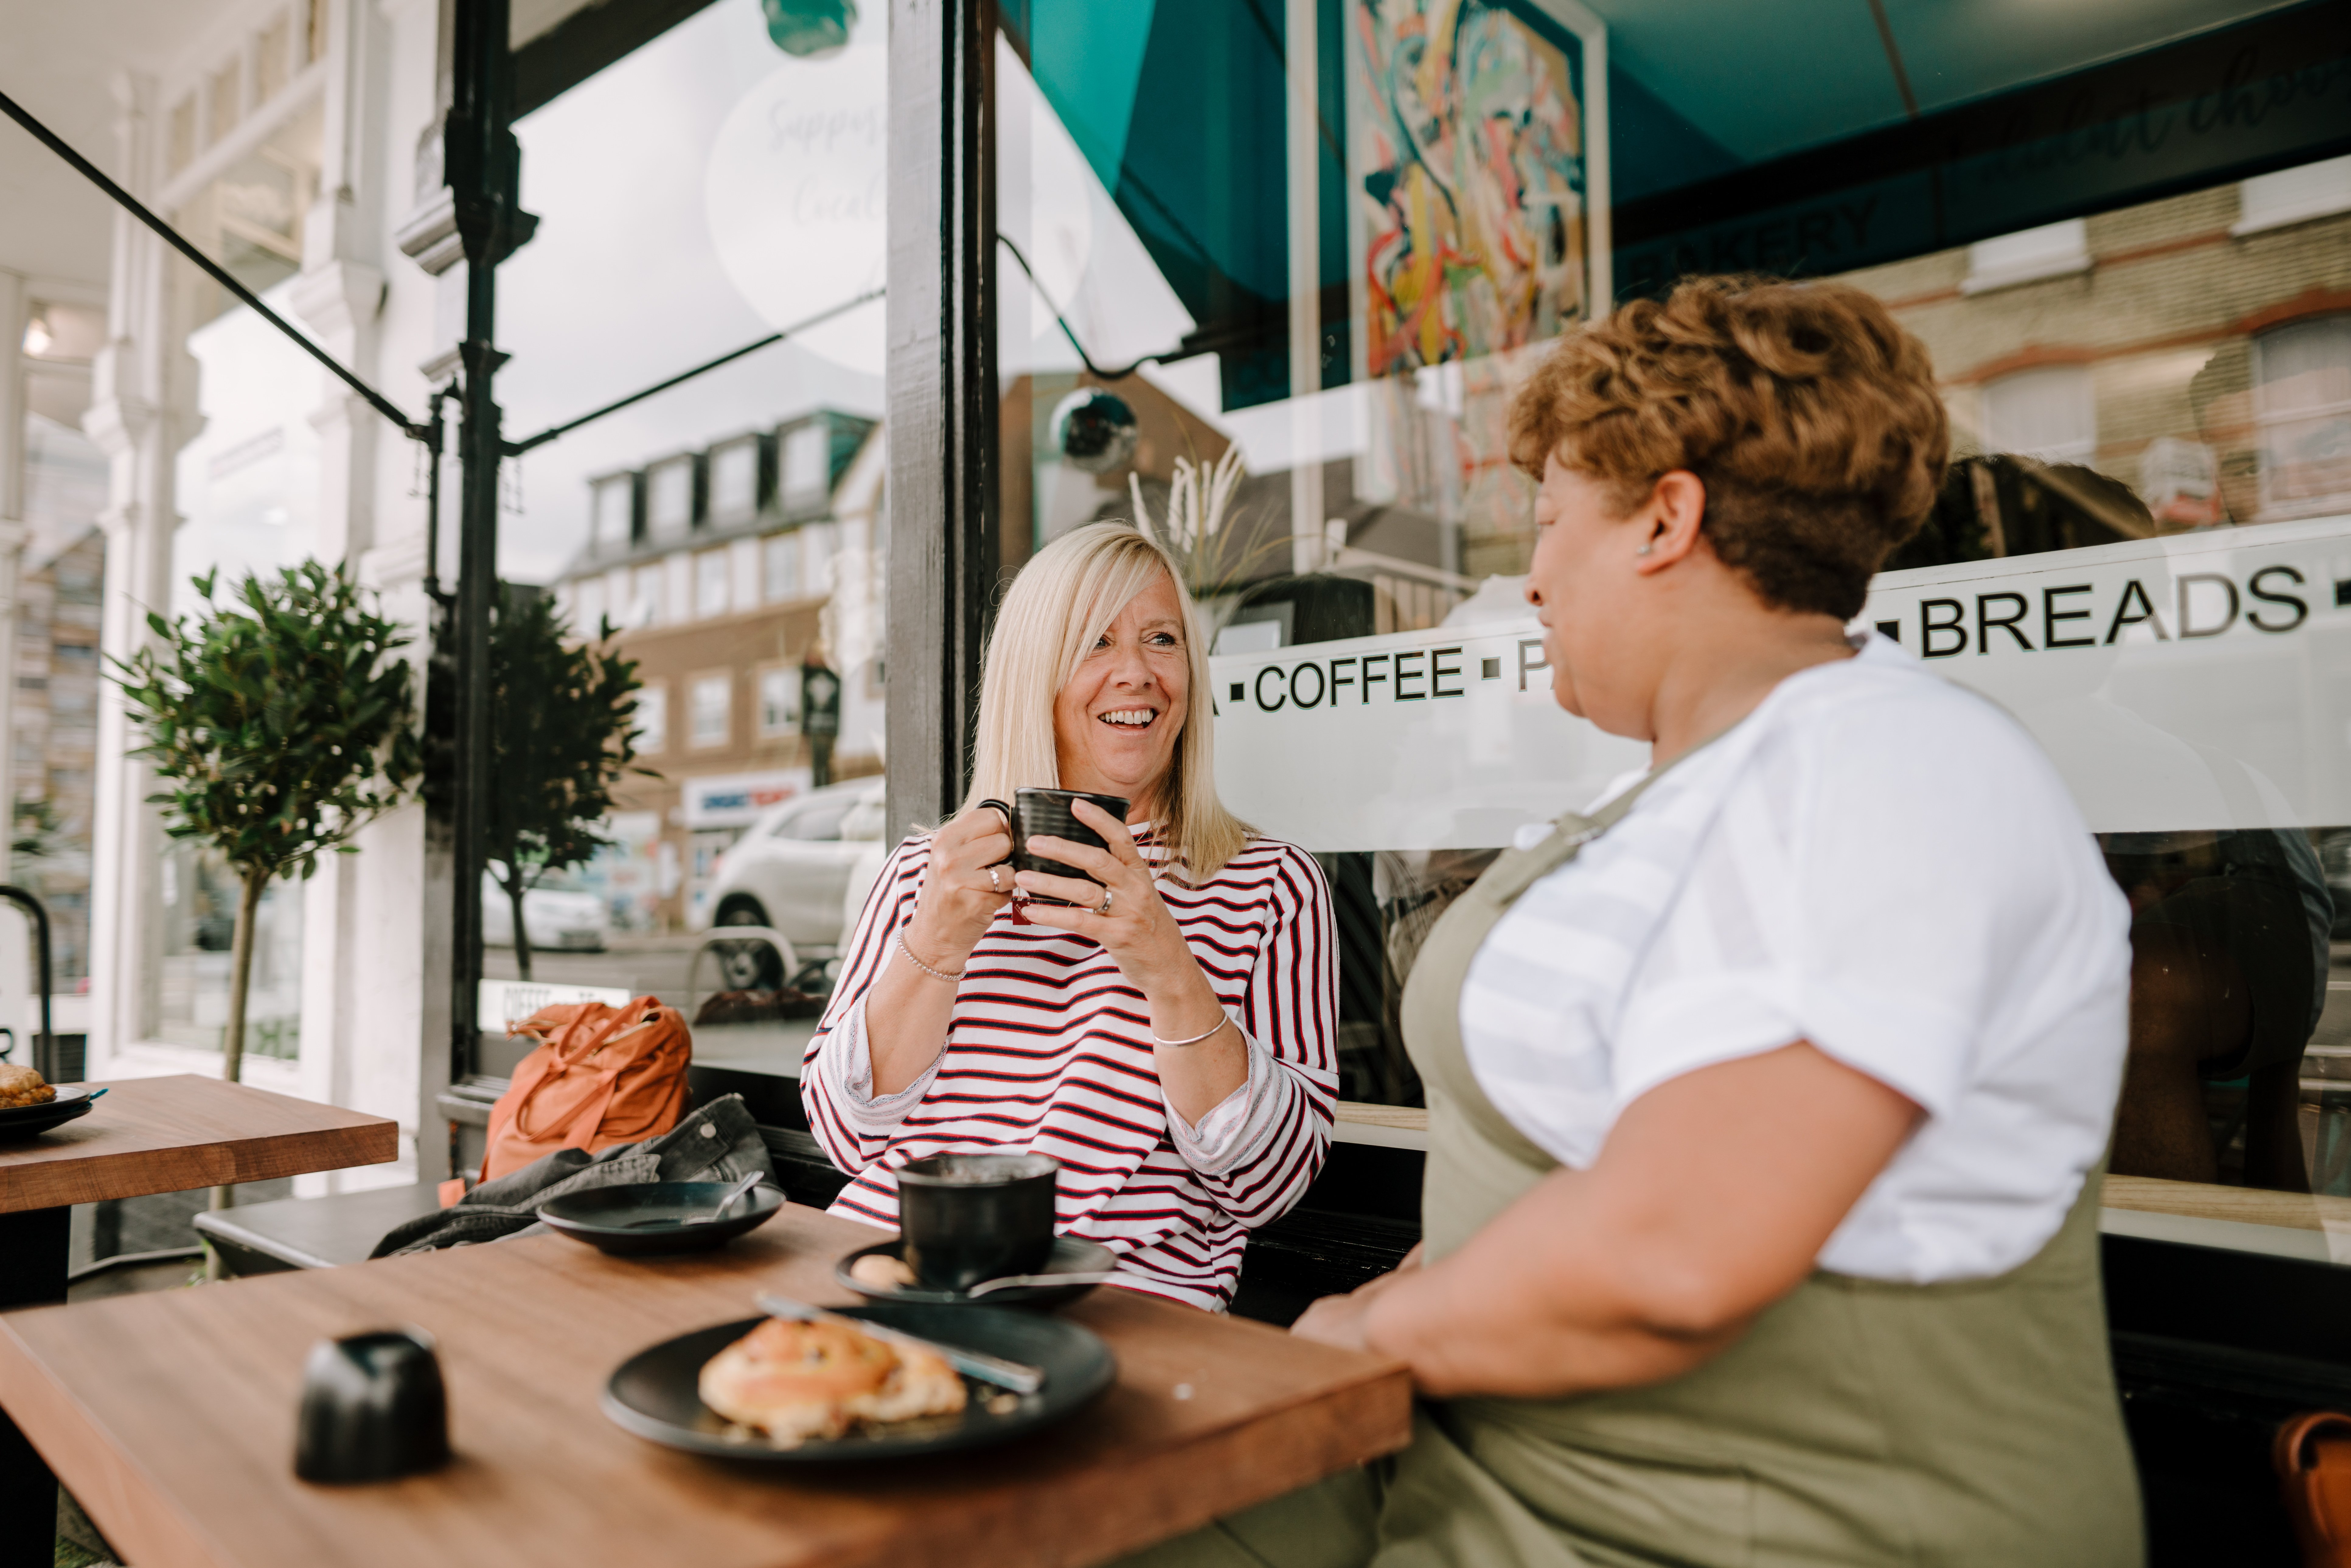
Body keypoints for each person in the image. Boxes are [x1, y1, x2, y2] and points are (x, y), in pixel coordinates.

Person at [1129, 275, 2143, 1566]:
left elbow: (1669, 1251)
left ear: (1667, 518)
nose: (1532, 573)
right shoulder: (1673, 789)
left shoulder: (1887, 771)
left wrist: (1356, 1341)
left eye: (1550, 519)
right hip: (1471, 1465)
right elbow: (1573, 1168)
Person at [802, 523, 1338, 1310]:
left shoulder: (1270, 883)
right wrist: (937, 940)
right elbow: (846, 1136)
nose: (1136, 673)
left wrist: (1165, 962)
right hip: (891, 1266)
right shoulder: (931, 872)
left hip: (1123, 1297)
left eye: (1162, 639)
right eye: (1095, 642)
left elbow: (1270, 1184)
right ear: (1034, 675)